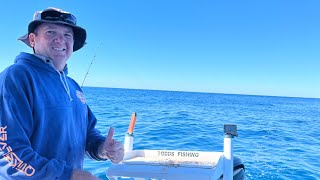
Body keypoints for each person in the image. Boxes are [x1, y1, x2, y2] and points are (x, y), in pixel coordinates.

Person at [0, 7, 124, 179]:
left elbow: (87, 134)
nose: (60, 40)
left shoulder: (74, 86)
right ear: (32, 39)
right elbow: (7, 153)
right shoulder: (16, 76)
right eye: (51, 32)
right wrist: (69, 175)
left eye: (67, 35)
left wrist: (102, 148)